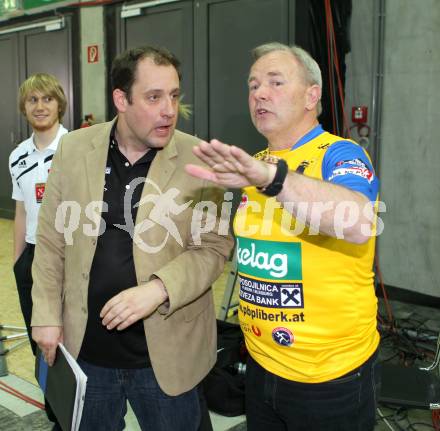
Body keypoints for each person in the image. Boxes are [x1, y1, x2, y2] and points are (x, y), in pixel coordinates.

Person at [30, 46, 233, 431]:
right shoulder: (74, 149)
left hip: (166, 357)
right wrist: (45, 315)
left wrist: (159, 289)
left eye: (174, 96)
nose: (168, 110)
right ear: (121, 99)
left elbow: (215, 246)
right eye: (154, 97)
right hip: (87, 352)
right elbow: (52, 240)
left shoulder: (200, 159)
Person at [186, 42, 381, 431]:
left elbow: (359, 222)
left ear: (312, 95)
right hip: (261, 367)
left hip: (329, 378)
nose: (259, 93)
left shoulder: (340, 155)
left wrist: (274, 179)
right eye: (253, 84)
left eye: (276, 82)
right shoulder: (254, 166)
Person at [9, 73, 68, 430]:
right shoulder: (18, 155)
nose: (40, 106)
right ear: (24, 108)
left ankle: (78, 411)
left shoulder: (77, 147)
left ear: (59, 103)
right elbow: (20, 211)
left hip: (67, 255)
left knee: (69, 340)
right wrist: (18, 263)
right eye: (33, 100)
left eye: (47, 98)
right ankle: (54, 409)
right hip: (31, 257)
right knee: (39, 341)